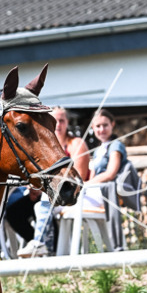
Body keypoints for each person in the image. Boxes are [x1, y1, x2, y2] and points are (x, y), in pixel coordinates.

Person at [16, 107, 90, 258]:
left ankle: (39, 243)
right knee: (15, 209)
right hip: (50, 193)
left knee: (42, 203)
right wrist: (35, 187)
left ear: (67, 122)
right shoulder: (45, 146)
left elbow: (78, 179)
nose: (59, 125)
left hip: (73, 194)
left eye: (62, 121)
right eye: (55, 121)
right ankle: (43, 247)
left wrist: (44, 190)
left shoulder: (76, 144)